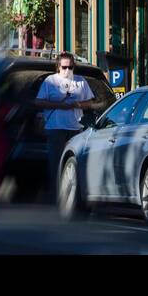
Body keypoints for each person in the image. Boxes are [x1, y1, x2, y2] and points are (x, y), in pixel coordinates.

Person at [33, 52, 100, 200]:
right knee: (56, 163)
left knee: (75, 163)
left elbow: (90, 103)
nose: (67, 70)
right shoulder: (50, 81)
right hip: (56, 128)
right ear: (58, 67)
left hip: (76, 128)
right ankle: (56, 196)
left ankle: (74, 196)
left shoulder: (80, 81)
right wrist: (59, 105)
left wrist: (77, 104)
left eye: (70, 67)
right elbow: (38, 102)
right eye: (64, 67)